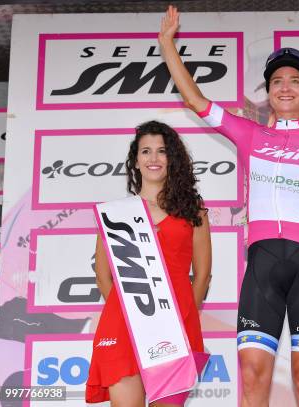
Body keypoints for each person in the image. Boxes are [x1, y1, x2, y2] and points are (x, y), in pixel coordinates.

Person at [158, 6, 299, 407]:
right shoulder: (246, 133)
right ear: (268, 91)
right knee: (251, 377)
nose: (286, 87)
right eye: (278, 81)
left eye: (295, 81)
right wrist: (167, 46)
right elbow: (195, 99)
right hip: (262, 262)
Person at [85, 121, 211, 407]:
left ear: (172, 159)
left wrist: (175, 321)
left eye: (162, 151)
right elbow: (103, 276)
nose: (153, 158)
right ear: (136, 160)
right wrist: (134, 316)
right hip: (122, 328)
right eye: (146, 151)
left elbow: (202, 276)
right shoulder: (115, 215)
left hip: (176, 329)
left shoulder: (194, 212)